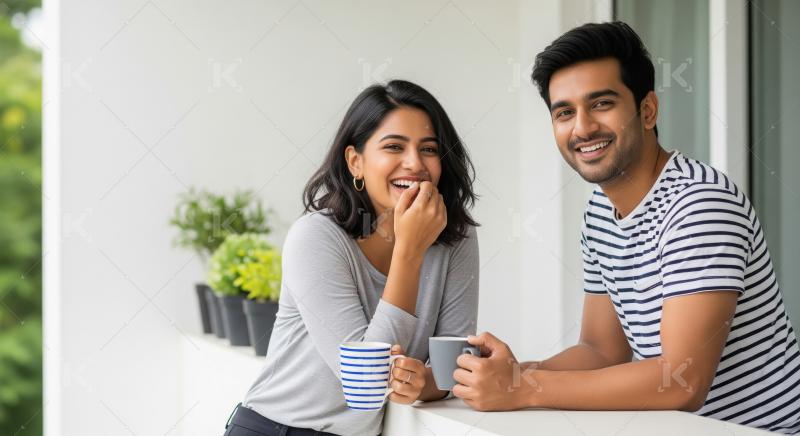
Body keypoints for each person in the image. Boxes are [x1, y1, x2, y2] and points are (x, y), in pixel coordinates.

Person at [452, 22, 800, 434]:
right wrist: (500, 377)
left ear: (647, 110)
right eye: (564, 112)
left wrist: (524, 387)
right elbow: (602, 351)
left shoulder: (698, 204)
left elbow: (681, 381)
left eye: (601, 104)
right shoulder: (601, 212)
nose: (582, 128)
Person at [223, 79, 480, 436]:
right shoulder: (315, 237)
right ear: (355, 161)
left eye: (429, 149)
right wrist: (410, 250)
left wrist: (424, 384)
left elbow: (453, 366)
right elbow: (365, 384)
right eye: (394, 146)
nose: (414, 163)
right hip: (276, 429)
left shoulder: (456, 237)